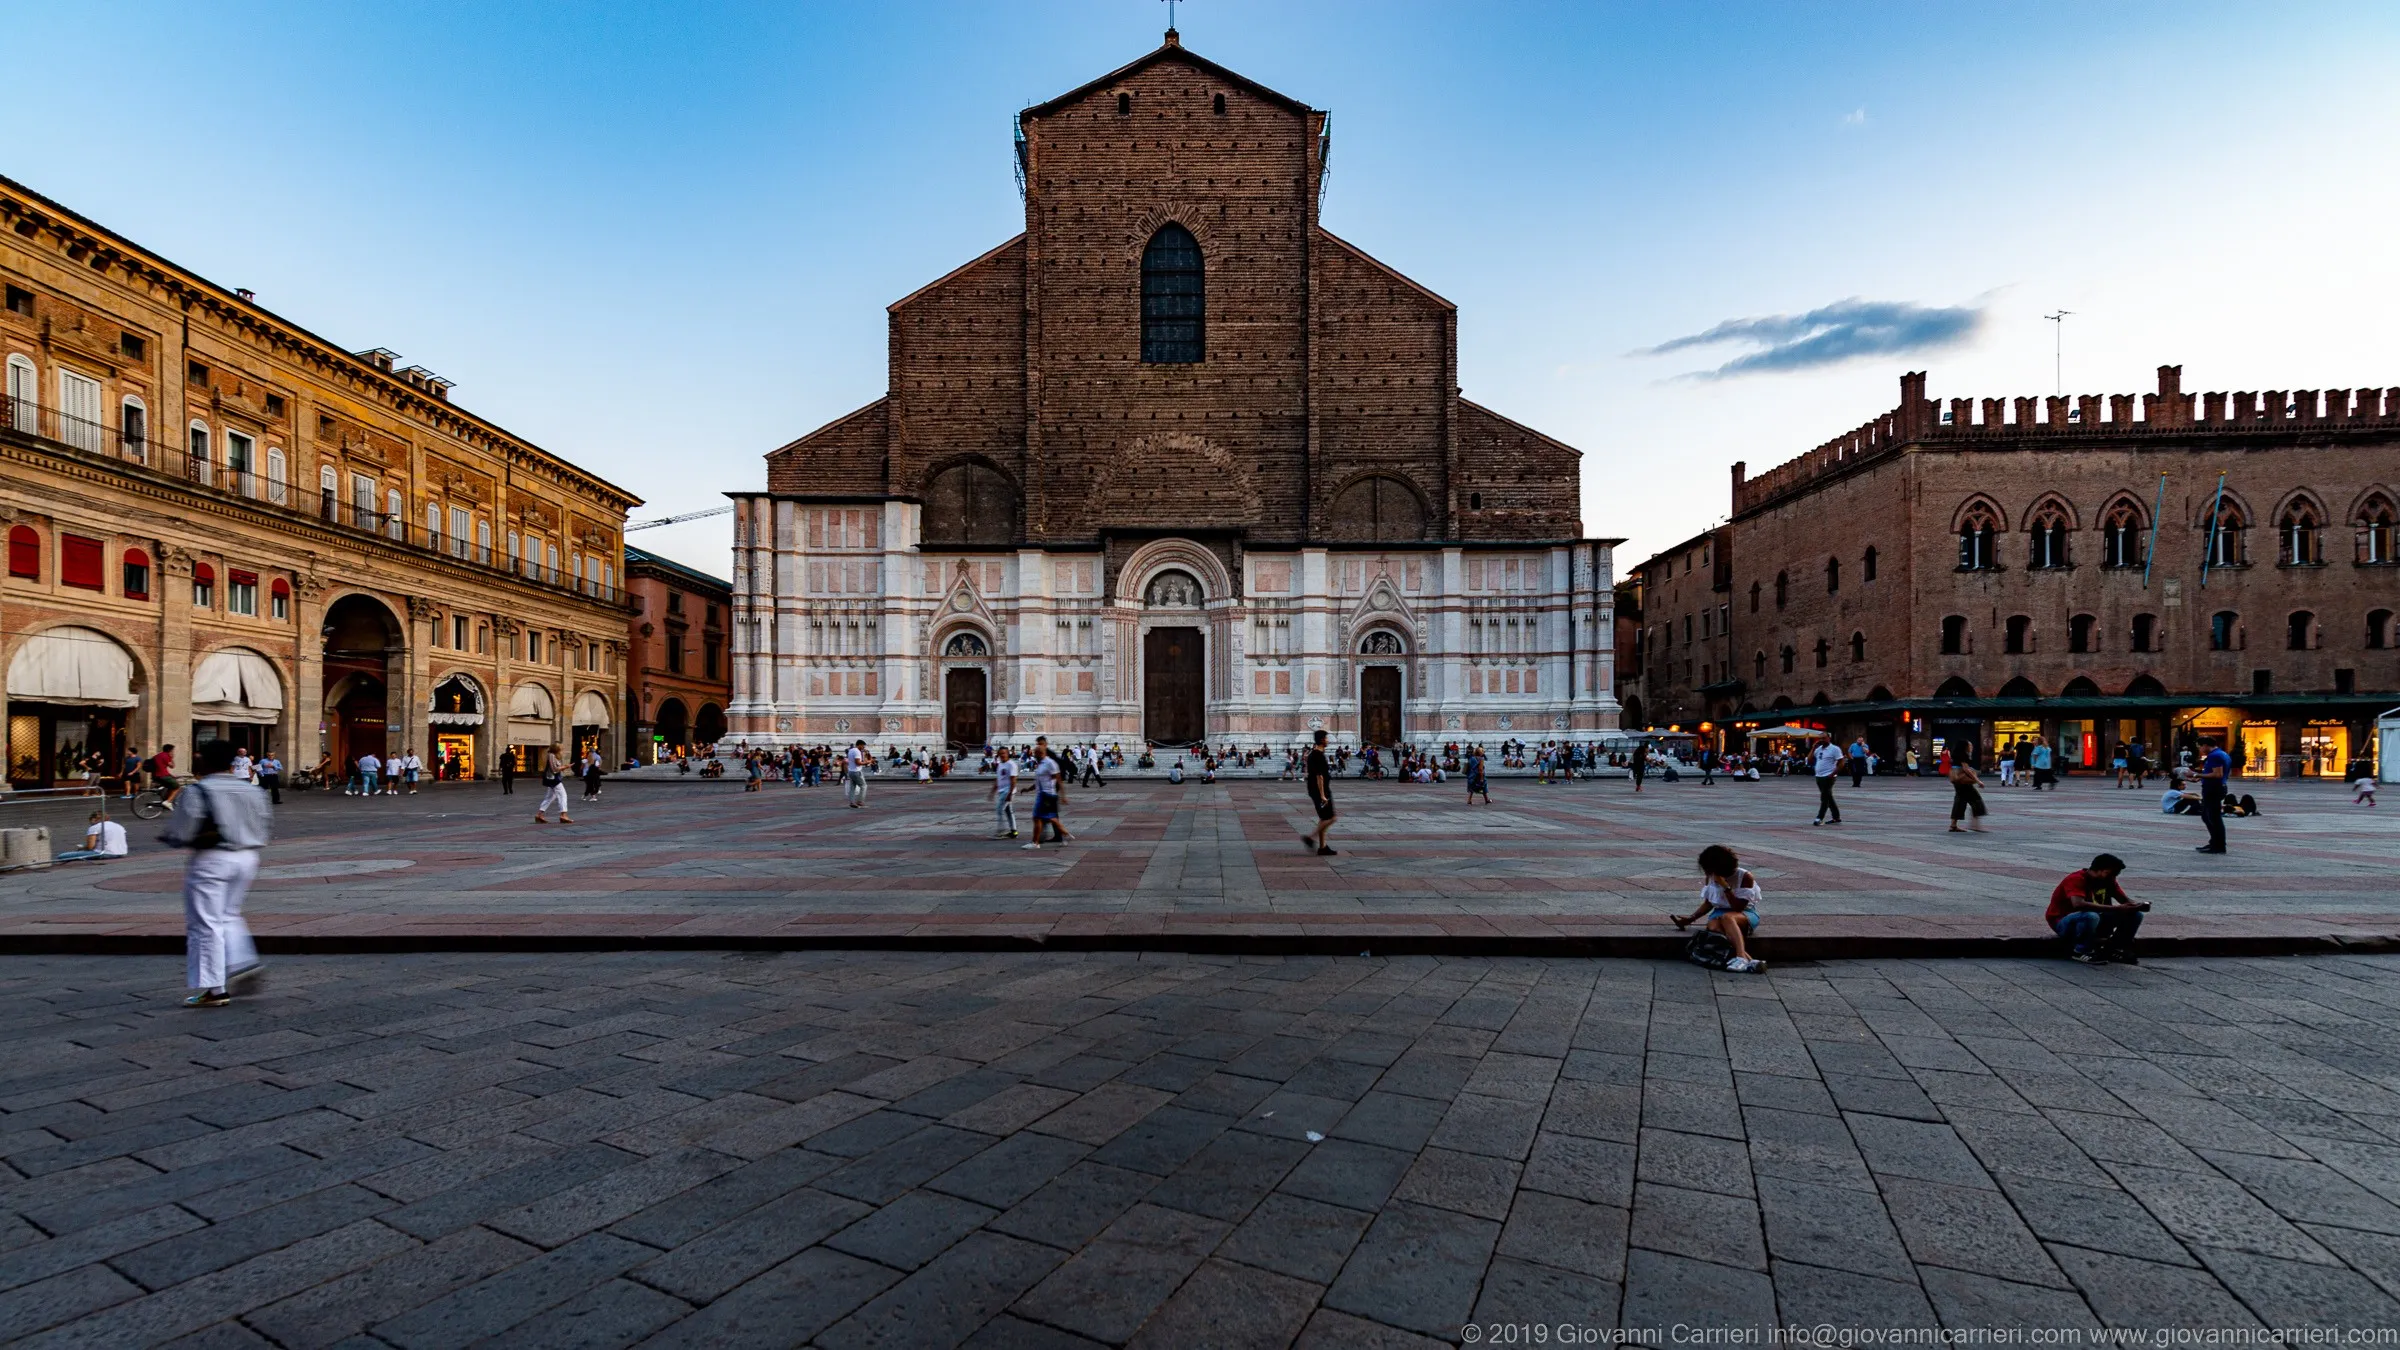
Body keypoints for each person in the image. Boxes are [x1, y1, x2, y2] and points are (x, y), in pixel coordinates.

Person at [162, 739, 271, 1007]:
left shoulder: (199, 791)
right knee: (229, 914)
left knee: (205, 923)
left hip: (212, 859)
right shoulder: (252, 790)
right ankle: (242, 961)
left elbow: (183, 830)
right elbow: (264, 824)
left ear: (206, 761)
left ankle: (215, 989)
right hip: (248, 856)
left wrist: (172, 837)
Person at [1671, 844, 1766, 974]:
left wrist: (1725, 886)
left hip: (1744, 914)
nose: (1707, 872)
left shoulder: (1744, 876)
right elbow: (1709, 903)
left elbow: (1738, 907)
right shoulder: (1711, 876)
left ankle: (1740, 957)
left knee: (1727, 917)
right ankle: (1750, 961)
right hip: (1719, 913)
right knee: (1714, 927)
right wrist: (1691, 919)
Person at [2047, 853, 2148, 965]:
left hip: (2096, 918)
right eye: (2110, 874)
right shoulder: (2076, 879)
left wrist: (2137, 906)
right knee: (2091, 916)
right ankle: (2080, 951)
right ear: (2100, 870)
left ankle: (2115, 948)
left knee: (2136, 915)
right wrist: (2117, 908)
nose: (2113, 877)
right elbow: (2078, 904)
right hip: (2064, 922)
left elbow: (2124, 900)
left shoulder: (2109, 881)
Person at [1025, 737, 1070, 849]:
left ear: (1045, 744)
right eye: (1037, 744)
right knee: (1050, 816)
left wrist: (1060, 793)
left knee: (1040, 817)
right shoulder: (1041, 759)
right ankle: (1062, 834)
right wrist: (1030, 788)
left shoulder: (1050, 758)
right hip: (1045, 792)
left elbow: (1058, 776)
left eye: (1040, 744)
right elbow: (1040, 778)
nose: (1038, 746)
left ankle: (1037, 840)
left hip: (1048, 793)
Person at [1303, 728, 1338, 856]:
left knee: (1324, 818)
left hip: (1314, 789)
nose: (1328, 740)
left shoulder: (1313, 754)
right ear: (1322, 740)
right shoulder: (1318, 755)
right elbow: (1320, 776)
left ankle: (1323, 847)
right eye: (1327, 738)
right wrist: (1323, 795)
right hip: (1321, 791)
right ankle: (1310, 838)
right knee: (1332, 818)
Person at [54, 809, 130, 863]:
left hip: (105, 853)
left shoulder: (95, 827)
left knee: (62, 856)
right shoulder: (119, 826)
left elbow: (90, 847)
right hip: (122, 852)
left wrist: (81, 848)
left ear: (93, 819)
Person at [2196, 740, 2231, 854]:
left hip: (2213, 789)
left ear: (2205, 745)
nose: (2200, 749)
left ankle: (2219, 846)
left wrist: (2196, 774)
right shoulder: (2222, 753)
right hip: (2216, 787)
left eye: (2200, 746)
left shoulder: (2214, 756)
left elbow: (2218, 774)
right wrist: (2200, 778)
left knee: (2213, 818)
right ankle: (2214, 842)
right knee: (2207, 816)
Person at [533, 745, 573, 825]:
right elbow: (554, 769)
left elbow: (555, 768)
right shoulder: (551, 755)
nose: (561, 751)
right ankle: (563, 815)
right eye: (560, 749)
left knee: (550, 797)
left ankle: (539, 814)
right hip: (553, 779)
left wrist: (564, 767)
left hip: (553, 779)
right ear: (556, 749)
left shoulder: (553, 756)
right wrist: (565, 767)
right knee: (562, 795)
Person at [1948, 752, 1987, 832]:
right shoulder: (1963, 754)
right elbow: (1966, 769)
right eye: (1970, 746)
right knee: (1976, 800)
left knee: (1960, 801)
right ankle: (1975, 825)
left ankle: (1953, 825)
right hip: (1963, 781)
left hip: (1957, 780)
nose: (1971, 747)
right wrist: (1978, 781)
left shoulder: (1956, 754)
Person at [1810, 737, 1843, 826]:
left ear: (1829, 738)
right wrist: (1813, 748)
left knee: (1824, 797)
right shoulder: (1818, 749)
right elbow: (1809, 760)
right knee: (1828, 796)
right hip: (1819, 776)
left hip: (1829, 776)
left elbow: (1841, 762)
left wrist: (1833, 773)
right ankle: (1836, 817)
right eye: (1820, 738)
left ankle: (1819, 817)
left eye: (1824, 738)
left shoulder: (1834, 749)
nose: (1822, 740)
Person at [992, 749, 1020, 839]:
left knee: (999, 810)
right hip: (1002, 791)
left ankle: (1001, 831)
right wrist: (993, 791)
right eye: (1000, 754)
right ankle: (1014, 831)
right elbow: (998, 779)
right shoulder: (1000, 764)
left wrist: (1010, 793)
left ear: (1008, 754)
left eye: (1004, 753)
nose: (1002, 755)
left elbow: (1013, 780)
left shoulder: (1011, 764)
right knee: (1008, 811)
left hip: (1008, 791)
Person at [844, 739, 869, 810]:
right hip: (856, 771)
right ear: (860, 745)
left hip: (851, 771)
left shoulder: (851, 750)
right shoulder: (857, 751)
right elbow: (858, 763)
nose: (863, 748)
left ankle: (852, 802)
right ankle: (860, 801)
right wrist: (867, 762)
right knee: (863, 786)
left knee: (852, 787)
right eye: (863, 746)